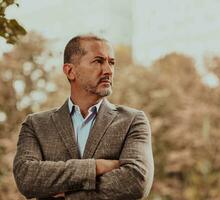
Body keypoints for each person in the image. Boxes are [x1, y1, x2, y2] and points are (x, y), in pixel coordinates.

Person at [13, 35, 154, 200]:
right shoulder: (36, 125)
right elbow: (26, 179)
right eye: (98, 61)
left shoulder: (132, 121)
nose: (108, 70)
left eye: (111, 62)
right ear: (70, 71)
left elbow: (136, 182)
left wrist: (65, 194)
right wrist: (96, 166)